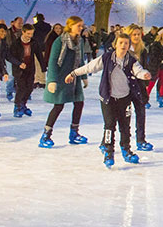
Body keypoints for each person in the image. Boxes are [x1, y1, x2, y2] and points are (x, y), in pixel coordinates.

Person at [65, 31, 151, 169]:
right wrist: (73, 73)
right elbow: (90, 67)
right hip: (108, 98)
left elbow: (138, 70)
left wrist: (144, 74)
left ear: (129, 46)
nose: (123, 45)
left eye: (126, 43)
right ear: (115, 44)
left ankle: (126, 150)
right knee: (109, 126)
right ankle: (109, 152)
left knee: (125, 126)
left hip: (125, 98)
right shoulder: (106, 58)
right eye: (121, 43)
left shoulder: (131, 60)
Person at [40, 16, 91, 148]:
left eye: (82, 26)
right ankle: (46, 135)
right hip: (61, 78)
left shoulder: (79, 41)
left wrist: (84, 76)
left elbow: (80, 61)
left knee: (79, 103)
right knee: (58, 106)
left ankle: (74, 133)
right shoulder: (60, 41)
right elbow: (52, 61)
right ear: (70, 26)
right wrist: (51, 80)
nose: (81, 28)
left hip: (74, 77)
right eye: (79, 25)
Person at [124, 25, 154, 151]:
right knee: (125, 115)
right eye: (134, 34)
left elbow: (146, 65)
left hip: (139, 86)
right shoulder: (123, 49)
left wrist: (146, 81)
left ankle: (141, 139)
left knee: (141, 113)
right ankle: (121, 140)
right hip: (125, 86)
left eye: (138, 34)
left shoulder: (143, 50)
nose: (136, 37)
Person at [7, 23, 43, 118]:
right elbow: (9, 56)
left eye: (31, 34)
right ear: (23, 32)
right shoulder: (16, 43)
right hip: (19, 70)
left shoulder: (34, 42)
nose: (30, 36)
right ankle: (17, 107)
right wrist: (19, 63)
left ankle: (23, 104)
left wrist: (43, 66)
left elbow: (38, 54)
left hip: (30, 68)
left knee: (30, 87)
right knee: (21, 88)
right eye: (28, 34)